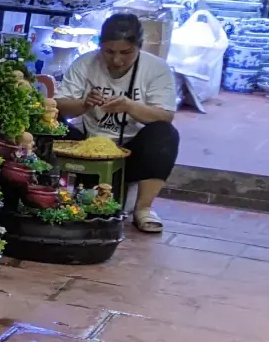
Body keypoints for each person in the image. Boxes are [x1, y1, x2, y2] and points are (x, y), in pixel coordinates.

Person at [54, 13, 179, 233]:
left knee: (165, 133)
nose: (117, 60)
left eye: (126, 53)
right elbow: (61, 105)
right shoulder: (84, 63)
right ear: (100, 45)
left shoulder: (157, 68)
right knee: (48, 121)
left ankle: (144, 208)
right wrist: (84, 105)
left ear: (139, 47)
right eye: (109, 52)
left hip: (132, 153)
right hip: (87, 148)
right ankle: (49, 192)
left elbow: (165, 115)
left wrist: (131, 107)